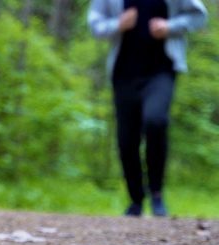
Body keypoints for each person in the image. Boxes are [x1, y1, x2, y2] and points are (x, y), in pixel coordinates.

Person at [88, 0, 208, 217]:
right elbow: (95, 24)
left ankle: (157, 194)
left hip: (161, 71)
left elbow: (199, 16)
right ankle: (136, 199)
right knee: (127, 139)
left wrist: (170, 27)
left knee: (156, 120)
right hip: (123, 74)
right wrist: (118, 24)